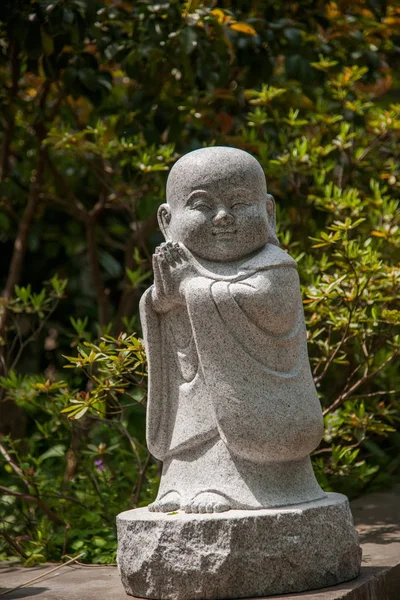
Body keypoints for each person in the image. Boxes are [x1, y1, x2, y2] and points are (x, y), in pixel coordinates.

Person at [140, 146, 325, 513]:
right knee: (189, 421)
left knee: (227, 427)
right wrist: (162, 300)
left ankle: (235, 486)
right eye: (202, 206)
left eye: (240, 204)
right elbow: (160, 308)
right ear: (166, 220)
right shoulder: (178, 267)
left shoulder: (275, 268)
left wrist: (190, 289)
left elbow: (266, 306)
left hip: (253, 406)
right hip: (191, 390)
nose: (223, 217)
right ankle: (181, 483)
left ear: (269, 212)